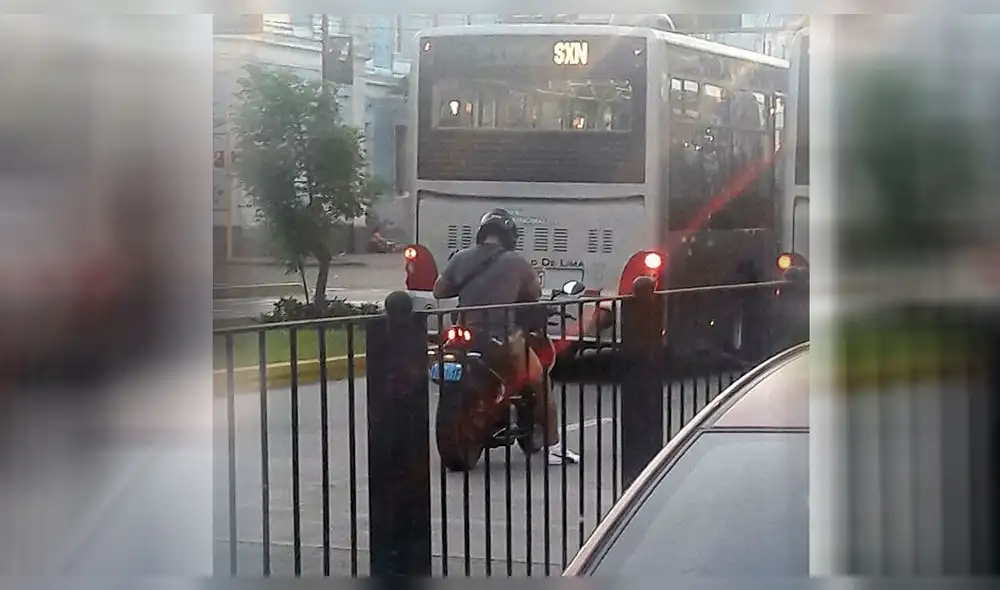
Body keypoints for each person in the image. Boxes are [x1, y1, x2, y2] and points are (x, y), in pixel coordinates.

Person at [433, 208, 580, 465]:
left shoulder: (461, 258)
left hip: (463, 334)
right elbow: (533, 295)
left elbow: (439, 290)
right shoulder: (517, 263)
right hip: (500, 337)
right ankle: (554, 447)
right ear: (510, 236)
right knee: (541, 382)